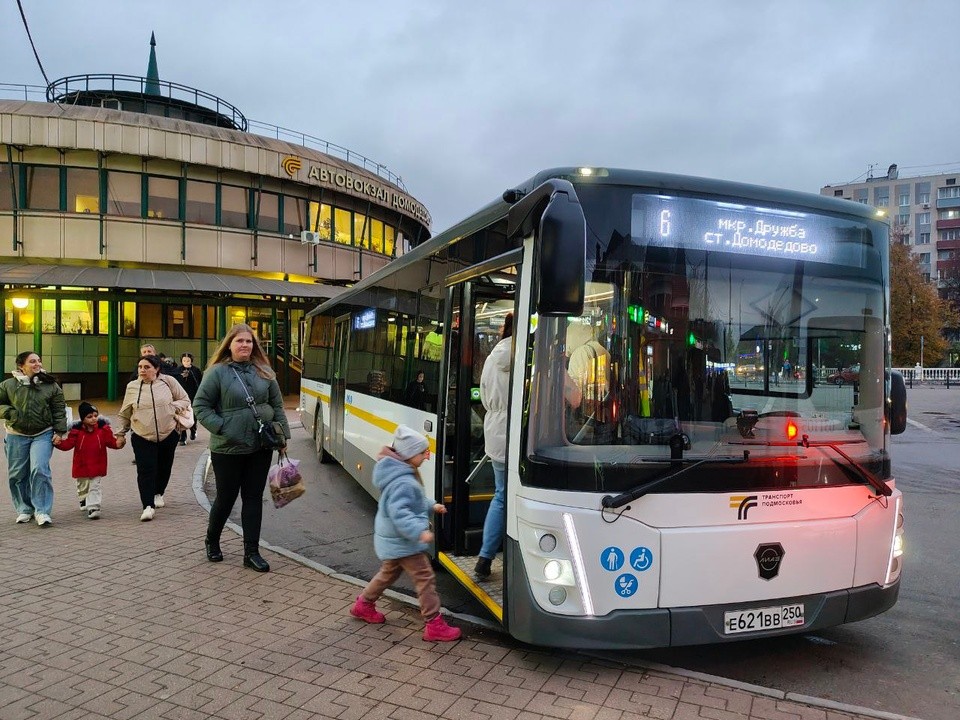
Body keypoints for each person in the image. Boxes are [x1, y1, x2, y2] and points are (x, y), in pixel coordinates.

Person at [348, 425, 461, 642]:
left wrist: (432, 505)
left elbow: (412, 503)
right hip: (404, 542)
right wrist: (420, 533)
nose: (427, 456)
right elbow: (401, 513)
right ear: (409, 454)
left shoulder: (399, 474)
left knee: (388, 573)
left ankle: (364, 604)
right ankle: (434, 624)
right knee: (425, 578)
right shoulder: (403, 481)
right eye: (422, 453)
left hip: (393, 539)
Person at [193, 323, 290, 572]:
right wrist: (223, 427)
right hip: (227, 448)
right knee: (226, 497)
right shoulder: (217, 373)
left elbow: (277, 406)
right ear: (230, 345)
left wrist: (282, 437)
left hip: (260, 446)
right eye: (240, 341)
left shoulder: (265, 372)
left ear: (254, 345)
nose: (245, 345)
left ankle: (251, 552)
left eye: (249, 341)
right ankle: (212, 540)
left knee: (253, 498)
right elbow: (201, 406)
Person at [115, 355, 191, 521]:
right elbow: (125, 412)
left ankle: (159, 492)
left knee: (164, 466)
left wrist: (173, 407)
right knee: (145, 470)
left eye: (146, 367)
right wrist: (120, 434)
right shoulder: (132, 387)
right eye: (140, 367)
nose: (142, 370)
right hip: (142, 435)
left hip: (168, 433)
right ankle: (147, 506)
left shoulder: (168, 381)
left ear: (156, 369)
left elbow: (185, 399)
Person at [0, 351, 68, 526]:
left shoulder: (50, 385)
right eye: (32, 361)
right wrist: (10, 413)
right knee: (17, 475)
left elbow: (59, 409)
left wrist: (59, 432)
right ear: (21, 366)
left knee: (39, 470)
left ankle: (42, 511)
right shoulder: (8, 385)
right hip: (16, 435)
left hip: (43, 433)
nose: (37, 364)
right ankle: (24, 509)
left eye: (38, 360)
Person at [475, 313, 513, 580]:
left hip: (496, 432)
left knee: (500, 496)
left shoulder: (491, 358)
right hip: (519, 435)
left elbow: (484, 395)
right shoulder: (528, 355)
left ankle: (485, 558)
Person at [56, 401, 125, 519]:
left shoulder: (104, 430)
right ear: (83, 419)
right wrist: (58, 444)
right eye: (89, 417)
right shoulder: (76, 432)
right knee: (83, 485)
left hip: (97, 464)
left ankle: (94, 507)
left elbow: (111, 442)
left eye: (95, 415)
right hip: (81, 465)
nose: (93, 419)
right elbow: (68, 445)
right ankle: (83, 498)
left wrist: (119, 444)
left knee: (95, 486)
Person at [175, 352, 203, 445]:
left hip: (193, 395)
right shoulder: (178, 370)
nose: (186, 362)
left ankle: (193, 429)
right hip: (181, 397)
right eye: (184, 360)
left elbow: (199, 382)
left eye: (188, 360)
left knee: (193, 415)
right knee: (182, 415)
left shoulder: (195, 370)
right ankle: (183, 437)